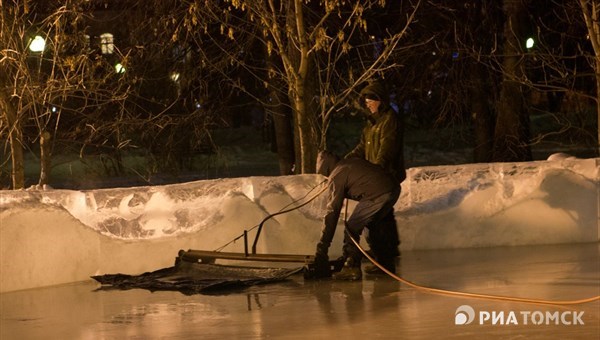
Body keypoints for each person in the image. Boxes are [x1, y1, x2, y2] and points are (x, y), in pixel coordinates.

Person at [313, 151, 401, 281]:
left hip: (377, 193)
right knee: (371, 223)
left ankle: (351, 267)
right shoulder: (349, 163)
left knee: (352, 227)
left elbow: (332, 211)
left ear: (325, 168)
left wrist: (322, 246)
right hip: (393, 188)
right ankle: (384, 264)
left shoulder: (337, 175)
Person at [346, 80, 406, 183]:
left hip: (387, 175)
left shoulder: (390, 119)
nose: (368, 105)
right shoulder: (372, 121)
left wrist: (377, 170)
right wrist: (346, 160)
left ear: (379, 101)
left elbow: (387, 149)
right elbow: (362, 147)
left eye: (370, 102)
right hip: (374, 174)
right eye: (366, 102)